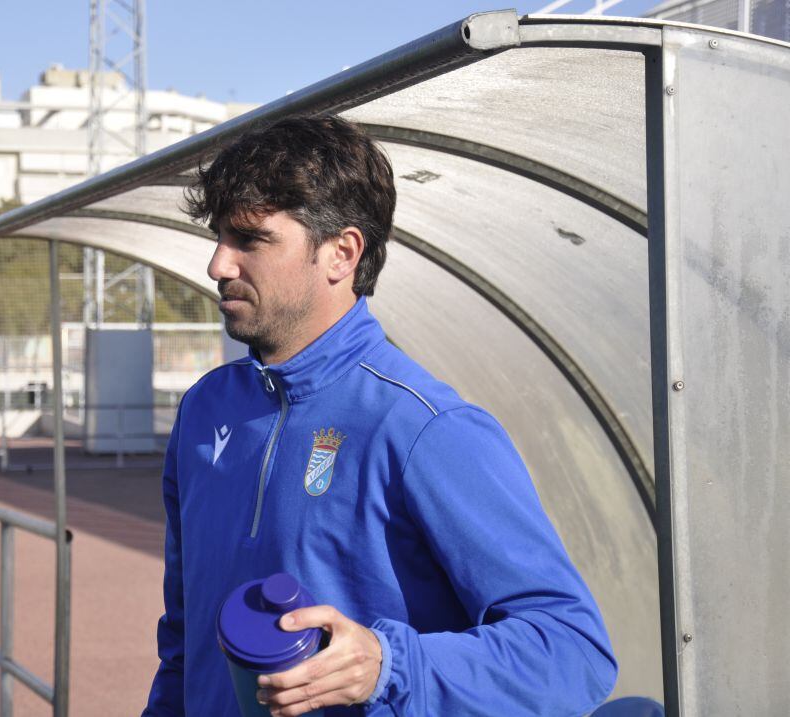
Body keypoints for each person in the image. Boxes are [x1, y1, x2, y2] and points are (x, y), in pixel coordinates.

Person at [142, 116, 617, 716]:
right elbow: (184, 639)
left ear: (341, 253)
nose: (218, 265)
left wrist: (387, 666)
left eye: (250, 240)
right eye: (219, 237)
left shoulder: (424, 427)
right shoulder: (205, 409)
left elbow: (572, 651)